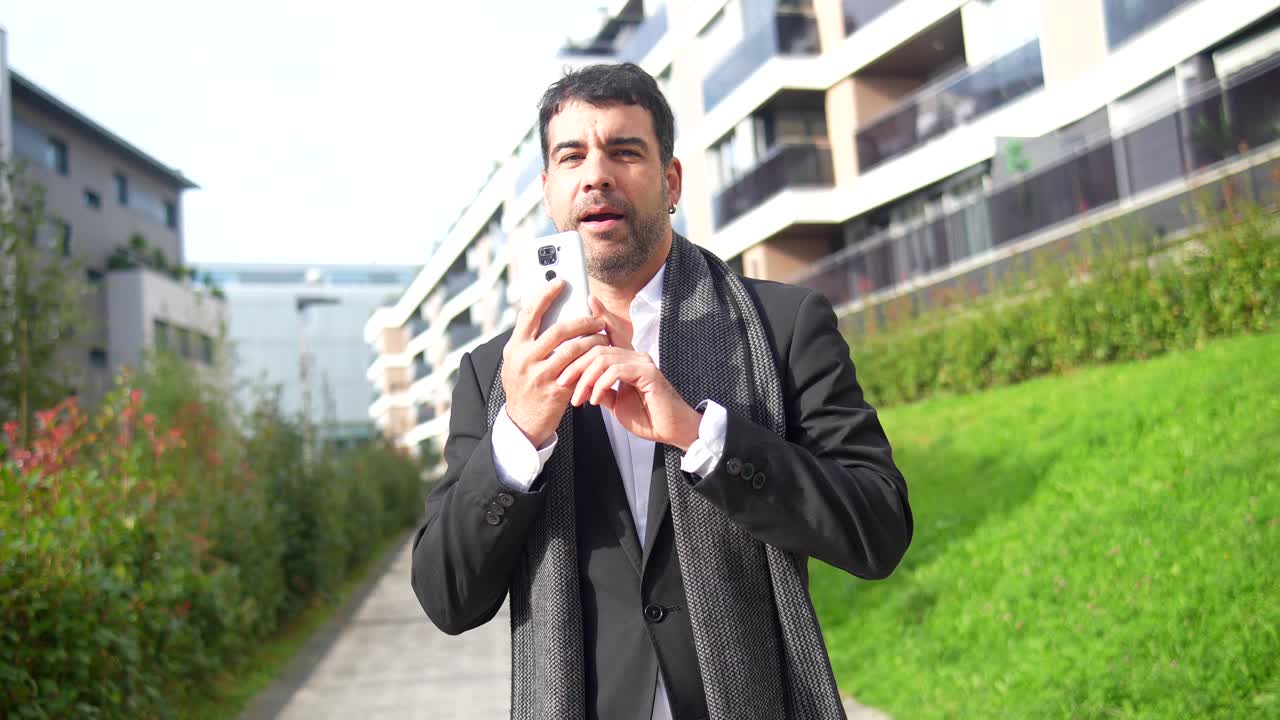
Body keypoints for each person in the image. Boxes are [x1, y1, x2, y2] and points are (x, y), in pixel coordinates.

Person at [411, 62, 912, 720]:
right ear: (549, 191)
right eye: (573, 156)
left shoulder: (784, 328)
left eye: (624, 150)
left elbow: (877, 529)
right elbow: (448, 597)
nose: (597, 174)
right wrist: (518, 436)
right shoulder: (495, 373)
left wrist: (699, 434)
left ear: (670, 181)